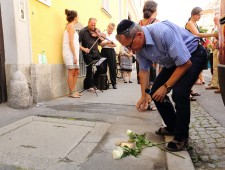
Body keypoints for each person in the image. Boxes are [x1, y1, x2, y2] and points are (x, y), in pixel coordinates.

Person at [116, 19, 207, 152]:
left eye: (130, 46)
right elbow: (143, 70)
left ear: (139, 35)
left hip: (193, 55)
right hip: (174, 62)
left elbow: (185, 63)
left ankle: (181, 136)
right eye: (127, 48)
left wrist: (166, 87)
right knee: (154, 92)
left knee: (179, 93)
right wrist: (144, 95)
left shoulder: (162, 32)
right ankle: (172, 126)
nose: (131, 50)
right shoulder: (139, 46)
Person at [138, 0, 159, 111]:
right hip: (152, 53)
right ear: (154, 10)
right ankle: (148, 102)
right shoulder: (156, 22)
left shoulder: (139, 22)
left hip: (141, 53)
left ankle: (144, 101)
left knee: (143, 80)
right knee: (151, 81)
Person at [79, 18, 105, 92]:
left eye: (94, 25)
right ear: (88, 23)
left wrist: (99, 36)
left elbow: (100, 41)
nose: (93, 27)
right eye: (92, 25)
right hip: (88, 54)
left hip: (96, 53)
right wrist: (83, 49)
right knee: (89, 69)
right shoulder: (83, 31)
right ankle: (90, 86)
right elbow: (76, 43)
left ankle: (93, 83)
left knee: (101, 68)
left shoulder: (97, 31)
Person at [62, 9, 81, 98]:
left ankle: (73, 90)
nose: (78, 18)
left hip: (74, 53)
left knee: (76, 71)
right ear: (75, 17)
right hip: (69, 53)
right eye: (77, 16)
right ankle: (71, 92)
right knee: (72, 71)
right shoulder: (70, 26)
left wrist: (82, 48)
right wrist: (74, 56)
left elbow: (75, 42)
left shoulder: (72, 27)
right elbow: (70, 42)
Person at [205, 16, 221, 93]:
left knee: (218, 68)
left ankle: (220, 86)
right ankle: (214, 84)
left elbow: (221, 36)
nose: (214, 21)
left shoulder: (220, 26)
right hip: (215, 49)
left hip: (219, 49)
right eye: (214, 20)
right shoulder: (215, 28)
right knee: (214, 67)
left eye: (216, 20)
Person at [100, 22, 117, 89]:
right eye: (110, 28)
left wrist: (106, 43)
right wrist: (108, 42)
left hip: (111, 51)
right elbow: (100, 44)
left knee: (112, 67)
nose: (111, 30)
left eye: (112, 29)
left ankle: (114, 84)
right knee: (103, 67)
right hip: (104, 51)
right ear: (107, 27)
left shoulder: (114, 35)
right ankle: (104, 83)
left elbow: (115, 45)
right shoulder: (103, 33)